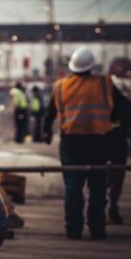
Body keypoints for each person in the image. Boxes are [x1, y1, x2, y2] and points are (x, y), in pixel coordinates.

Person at [43, 47, 131, 239]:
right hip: (99, 143)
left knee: (73, 188)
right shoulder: (105, 84)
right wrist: (116, 125)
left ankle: (73, 229)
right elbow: (125, 109)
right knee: (98, 188)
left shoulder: (60, 86)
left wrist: (46, 133)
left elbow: (49, 114)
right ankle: (97, 229)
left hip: (71, 144)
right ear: (92, 67)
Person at [107, 57, 131, 225]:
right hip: (118, 141)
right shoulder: (123, 100)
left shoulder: (100, 95)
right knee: (117, 175)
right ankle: (112, 206)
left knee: (100, 175)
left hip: (101, 140)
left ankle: (102, 207)